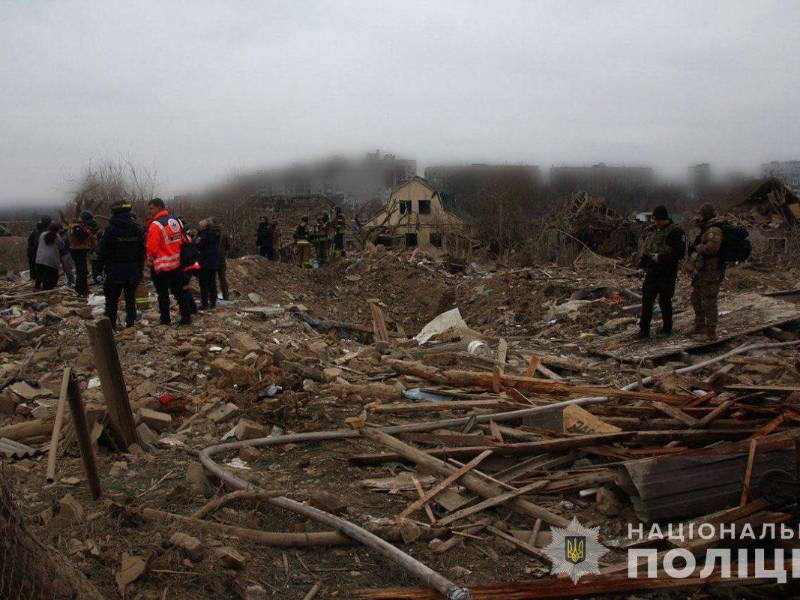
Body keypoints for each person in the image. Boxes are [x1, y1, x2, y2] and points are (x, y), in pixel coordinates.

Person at [636, 205, 686, 339]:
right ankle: (644, 330)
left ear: (665, 219)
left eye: (659, 220)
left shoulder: (675, 232)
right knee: (647, 300)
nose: (656, 222)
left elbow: (679, 253)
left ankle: (667, 328)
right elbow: (648, 251)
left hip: (667, 271)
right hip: (652, 271)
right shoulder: (654, 231)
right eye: (655, 220)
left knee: (665, 301)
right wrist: (642, 265)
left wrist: (661, 258)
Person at [96, 201, 145, 329]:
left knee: (111, 301)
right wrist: (140, 271)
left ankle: (111, 328)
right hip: (132, 270)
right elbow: (142, 252)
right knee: (130, 299)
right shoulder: (136, 229)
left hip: (115, 271)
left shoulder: (110, 230)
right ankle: (131, 325)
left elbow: (103, 252)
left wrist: (97, 271)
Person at [146, 198, 191, 326]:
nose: (149, 211)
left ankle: (165, 320)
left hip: (161, 266)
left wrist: (149, 259)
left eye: (151, 208)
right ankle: (186, 317)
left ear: (159, 207)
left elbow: (152, 247)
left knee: (163, 294)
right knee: (179, 292)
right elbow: (182, 240)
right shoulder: (175, 221)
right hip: (176, 264)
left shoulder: (155, 225)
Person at [687, 203, 725, 340]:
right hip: (702, 271)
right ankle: (700, 324)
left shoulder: (714, 229)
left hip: (711, 271)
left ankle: (710, 332)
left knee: (709, 301)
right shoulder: (706, 228)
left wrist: (698, 248)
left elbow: (712, 248)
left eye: (701, 215)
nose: (699, 217)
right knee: (696, 297)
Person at [67, 211, 96, 297]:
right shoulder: (76, 227)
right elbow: (81, 237)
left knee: (83, 271)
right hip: (77, 250)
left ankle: (83, 289)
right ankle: (81, 290)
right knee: (81, 271)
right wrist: (89, 230)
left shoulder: (79, 226)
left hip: (80, 250)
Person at [196, 218, 221, 310]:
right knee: (212, 283)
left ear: (204, 226)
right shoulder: (215, 233)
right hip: (213, 262)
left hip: (205, 262)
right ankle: (213, 302)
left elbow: (197, 245)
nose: (198, 226)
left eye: (200, 225)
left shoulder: (204, 234)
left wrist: (197, 235)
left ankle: (204, 303)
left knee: (203, 283)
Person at [35, 223, 64, 290]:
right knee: (49, 276)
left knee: (39, 274)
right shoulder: (57, 236)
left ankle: (37, 287)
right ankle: (47, 289)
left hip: (40, 258)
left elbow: (39, 242)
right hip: (51, 260)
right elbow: (62, 246)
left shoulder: (42, 234)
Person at [27, 215, 51, 289]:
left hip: (33, 251)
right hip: (36, 252)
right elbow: (37, 242)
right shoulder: (41, 230)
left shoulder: (38, 228)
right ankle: (40, 285)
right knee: (40, 268)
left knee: (37, 268)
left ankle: (38, 284)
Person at [215, 220, 231, 300]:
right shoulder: (224, 235)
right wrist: (225, 255)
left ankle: (213, 297)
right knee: (222, 279)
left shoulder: (212, 234)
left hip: (214, 259)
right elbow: (228, 247)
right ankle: (225, 296)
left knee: (214, 279)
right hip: (220, 259)